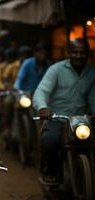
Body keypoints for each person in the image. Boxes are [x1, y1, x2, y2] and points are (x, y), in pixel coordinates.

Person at [33, 38, 95, 183]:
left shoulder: (92, 73)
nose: (78, 56)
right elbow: (42, 91)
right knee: (50, 141)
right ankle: (51, 174)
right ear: (68, 53)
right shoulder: (56, 70)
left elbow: (93, 99)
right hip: (58, 119)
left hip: (83, 122)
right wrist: (42, 108)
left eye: (82, 52)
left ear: (88, 54)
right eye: (75, 52)